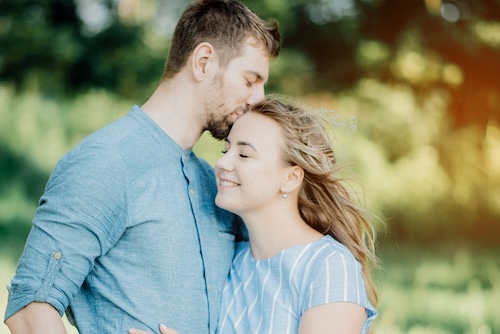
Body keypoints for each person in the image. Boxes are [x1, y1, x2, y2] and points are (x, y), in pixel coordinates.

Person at [4, 0, 281, 333]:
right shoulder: (107, 162)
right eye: (251, 80)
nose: (259, 99)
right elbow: (30, 310)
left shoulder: (217, 183)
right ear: (204, 61)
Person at [132, 98, 379, 334]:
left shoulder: (328, 266)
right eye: (225, 150)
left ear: (291, 178)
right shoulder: (234, 260)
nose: (222, 163)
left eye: (244, 155)